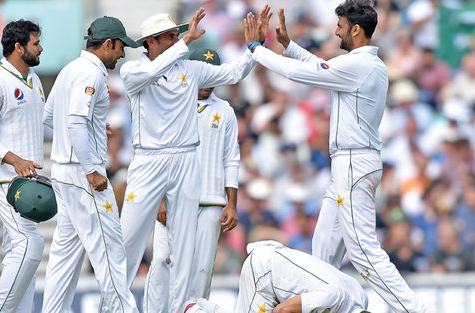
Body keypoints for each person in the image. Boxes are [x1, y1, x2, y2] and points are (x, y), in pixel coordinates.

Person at [243, 1, 428, 312]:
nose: (335, 31)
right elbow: (321, 68)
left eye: (340, 27)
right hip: (348, 165)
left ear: (356, 29)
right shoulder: (363, 65)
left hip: (354, 163)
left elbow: (308, 74)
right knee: (323, 253)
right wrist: (289, 46)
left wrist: (255, 49)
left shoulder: (361, 65)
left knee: (365, 255)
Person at [119, 8, 259, 313]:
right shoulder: (132, 71)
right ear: (151, 42)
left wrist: (252, 49)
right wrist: (185, 43)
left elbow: (233, 73)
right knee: (129, 240)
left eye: (177, 36)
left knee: (183, 251)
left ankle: (181, 308)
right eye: (170, 37)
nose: (177, 41)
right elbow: (151, 73)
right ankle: (115, 304)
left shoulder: (190, 69)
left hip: (185, 159)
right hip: (149, 159)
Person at [41, 16, 140, 313]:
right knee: (110, 250)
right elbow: (73, 121)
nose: (122, 54)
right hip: (84, 175)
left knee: (65, 255)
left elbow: (49, 117)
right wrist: (90, 168)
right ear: (108, 44)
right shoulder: (92, 73)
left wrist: (94, 129)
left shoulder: (70, 68)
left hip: (62, 171)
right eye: (121, 47)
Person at [144, 48, 240, 313]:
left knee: (201, 268)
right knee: (162, 259)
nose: (208, 84)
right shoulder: (170, 104)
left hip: (211, 201)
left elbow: (231, 158)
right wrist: (159, 197)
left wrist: (232, 204)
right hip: (174, 198)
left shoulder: (226, 111)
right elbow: (158, 154)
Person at [0, 19, 45, 313]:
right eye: (35, 43)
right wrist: (14, 159)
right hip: (5, 180)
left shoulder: (35, 81)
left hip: (30, 182)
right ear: (18, 47)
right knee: (31, 245)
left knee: (19, 252)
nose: (41, 48)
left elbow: (44, 122)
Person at [182, 241, 370, 313]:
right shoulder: (334, 297)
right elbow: (281, 310)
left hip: (275, 271)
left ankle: (201, 307)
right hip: (265, 271)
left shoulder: (361, 298)